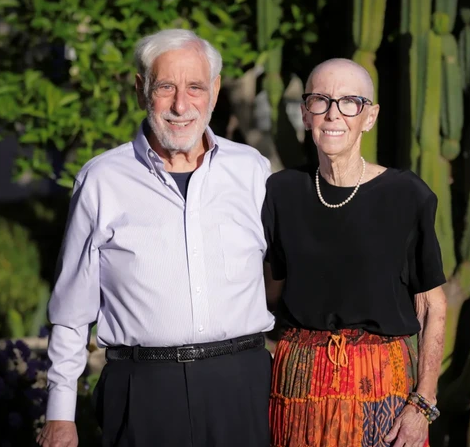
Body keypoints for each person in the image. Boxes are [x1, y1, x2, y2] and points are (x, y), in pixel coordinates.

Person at [37, 28, 274, 447]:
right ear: (141, 89)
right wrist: (60, 414)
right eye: (165, 87)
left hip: (243, 388)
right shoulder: (101, 180)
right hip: (142, 392)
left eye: (195, 87)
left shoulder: (252, 170)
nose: (181, 105)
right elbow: (72, 310)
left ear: (215, 91)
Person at [262, 58, 448, 447]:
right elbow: (269, 291)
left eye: (350, 101)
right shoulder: (280, 192)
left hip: (386, 390)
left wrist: (423, 402)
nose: (333, 114)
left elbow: (432, 306)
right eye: (320, 100)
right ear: (304, 112)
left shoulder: (406, 194)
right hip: (299, 388)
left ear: (369, 116)